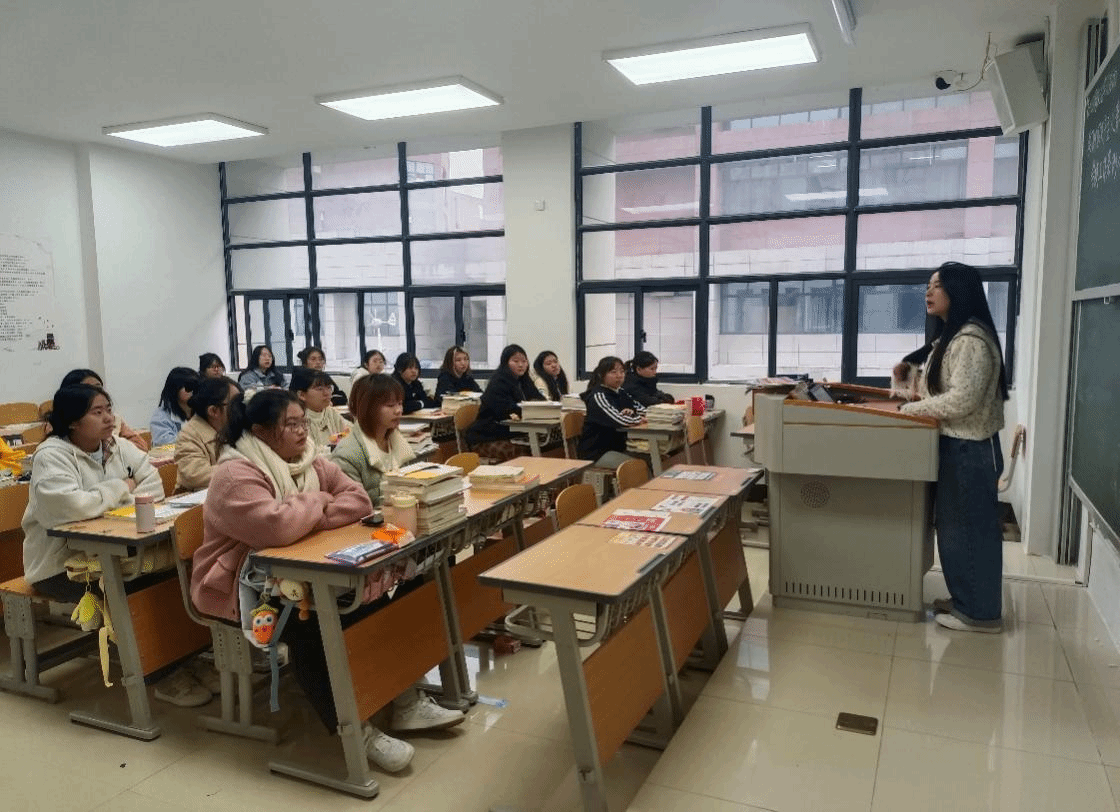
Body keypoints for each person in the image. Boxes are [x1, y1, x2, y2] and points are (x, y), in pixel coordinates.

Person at [190, 389, 461, 772]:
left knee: (371, 604)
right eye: (291, 424)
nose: (303, 431)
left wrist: (301, 516)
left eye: (304, 422)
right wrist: (318, 502)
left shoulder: (309, 460)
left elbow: (358, 501)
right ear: (261, 431)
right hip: (243, 585)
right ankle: (356, 732)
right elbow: (276, 527)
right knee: (312, 624)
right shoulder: (235, 474)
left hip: (301, 572)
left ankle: (405, 701)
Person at [22, 384, 212, 707]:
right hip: (62, 565)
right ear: (72, 421)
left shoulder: (118, 446)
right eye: (97, 412)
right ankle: (163, 675)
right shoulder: (51, 456)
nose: (109, 418)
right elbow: (70, 507)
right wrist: (122, 488)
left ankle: (185, 659)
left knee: (174, 575)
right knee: (133, 587)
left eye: (109, 409)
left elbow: (153, 486)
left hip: (122, 551)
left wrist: (103, 501)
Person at [894, 261, 1008, 634]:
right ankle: (966, 600)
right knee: (957, 529)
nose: (929, 292)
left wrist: (911, 410)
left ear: (958, 291)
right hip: (960, 446)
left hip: (969, 449)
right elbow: (938, 386)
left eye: (937, 285)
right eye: (928, 285)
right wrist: (908, 377)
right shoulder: (954, 336)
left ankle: (979, 613)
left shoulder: (970, 340)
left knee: (970, 532)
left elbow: (961, 400)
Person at [332, 374, 414, 507]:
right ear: (368, 408)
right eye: (390, 405)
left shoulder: (397, 442)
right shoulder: (346, 456)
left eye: (400, 403)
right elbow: (355, 508)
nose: (399, 410)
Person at [466, 344, 543, 463]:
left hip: (511, 434)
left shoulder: (524, 381)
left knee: (544, 447)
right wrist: (530, 410)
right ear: (505, 363)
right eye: (515, 361)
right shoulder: (498, 382)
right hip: (486, 438)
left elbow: (540, 400)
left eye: (524, 361)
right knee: (524, 453)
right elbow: (506, 411)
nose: (521, 365)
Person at [174, 376, 241, 492]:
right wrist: (243, 470)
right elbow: (196, 475)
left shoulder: (236, 427)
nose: (240, 409)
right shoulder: (189, 435)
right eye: (235, 404)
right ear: (213, 411)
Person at [578, 356, 646, 469]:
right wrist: (639, 419)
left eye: (622, 371)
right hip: (597, 453)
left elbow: (642, 410)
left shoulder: (620, 392)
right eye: (613, 372)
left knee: (653, 459)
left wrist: (635, 414)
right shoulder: (598, 396)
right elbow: (619, 420)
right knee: (639, 467)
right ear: (601, 375)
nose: (619, 375)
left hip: (617, 448)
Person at [60, 369, 148, 451]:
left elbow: (141, 448)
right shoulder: (59, 448)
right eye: (88, 390)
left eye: (99, 388)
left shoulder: (114, 419)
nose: (95, 394)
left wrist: (111, 445)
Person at [289, 367, 349, 454]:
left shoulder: (331, 412)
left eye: (329, 387)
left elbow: (348, 432)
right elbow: (305, 453)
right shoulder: (295, 420)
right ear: (302, 395)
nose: (327, 393)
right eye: (320, 389)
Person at [149, 367, 200, 446]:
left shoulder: (203, 410)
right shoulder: (161, 417)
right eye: (189, 387)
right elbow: (163, 444)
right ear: (175, 389)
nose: (193, 391)